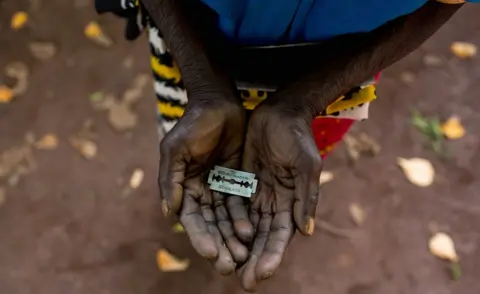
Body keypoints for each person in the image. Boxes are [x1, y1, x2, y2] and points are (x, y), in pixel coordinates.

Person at [96, 0, 477, 291]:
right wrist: (203, 81)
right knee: (186, 133)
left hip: (338, 73)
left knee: (301, 154)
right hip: (188, 43)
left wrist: (304, 102)